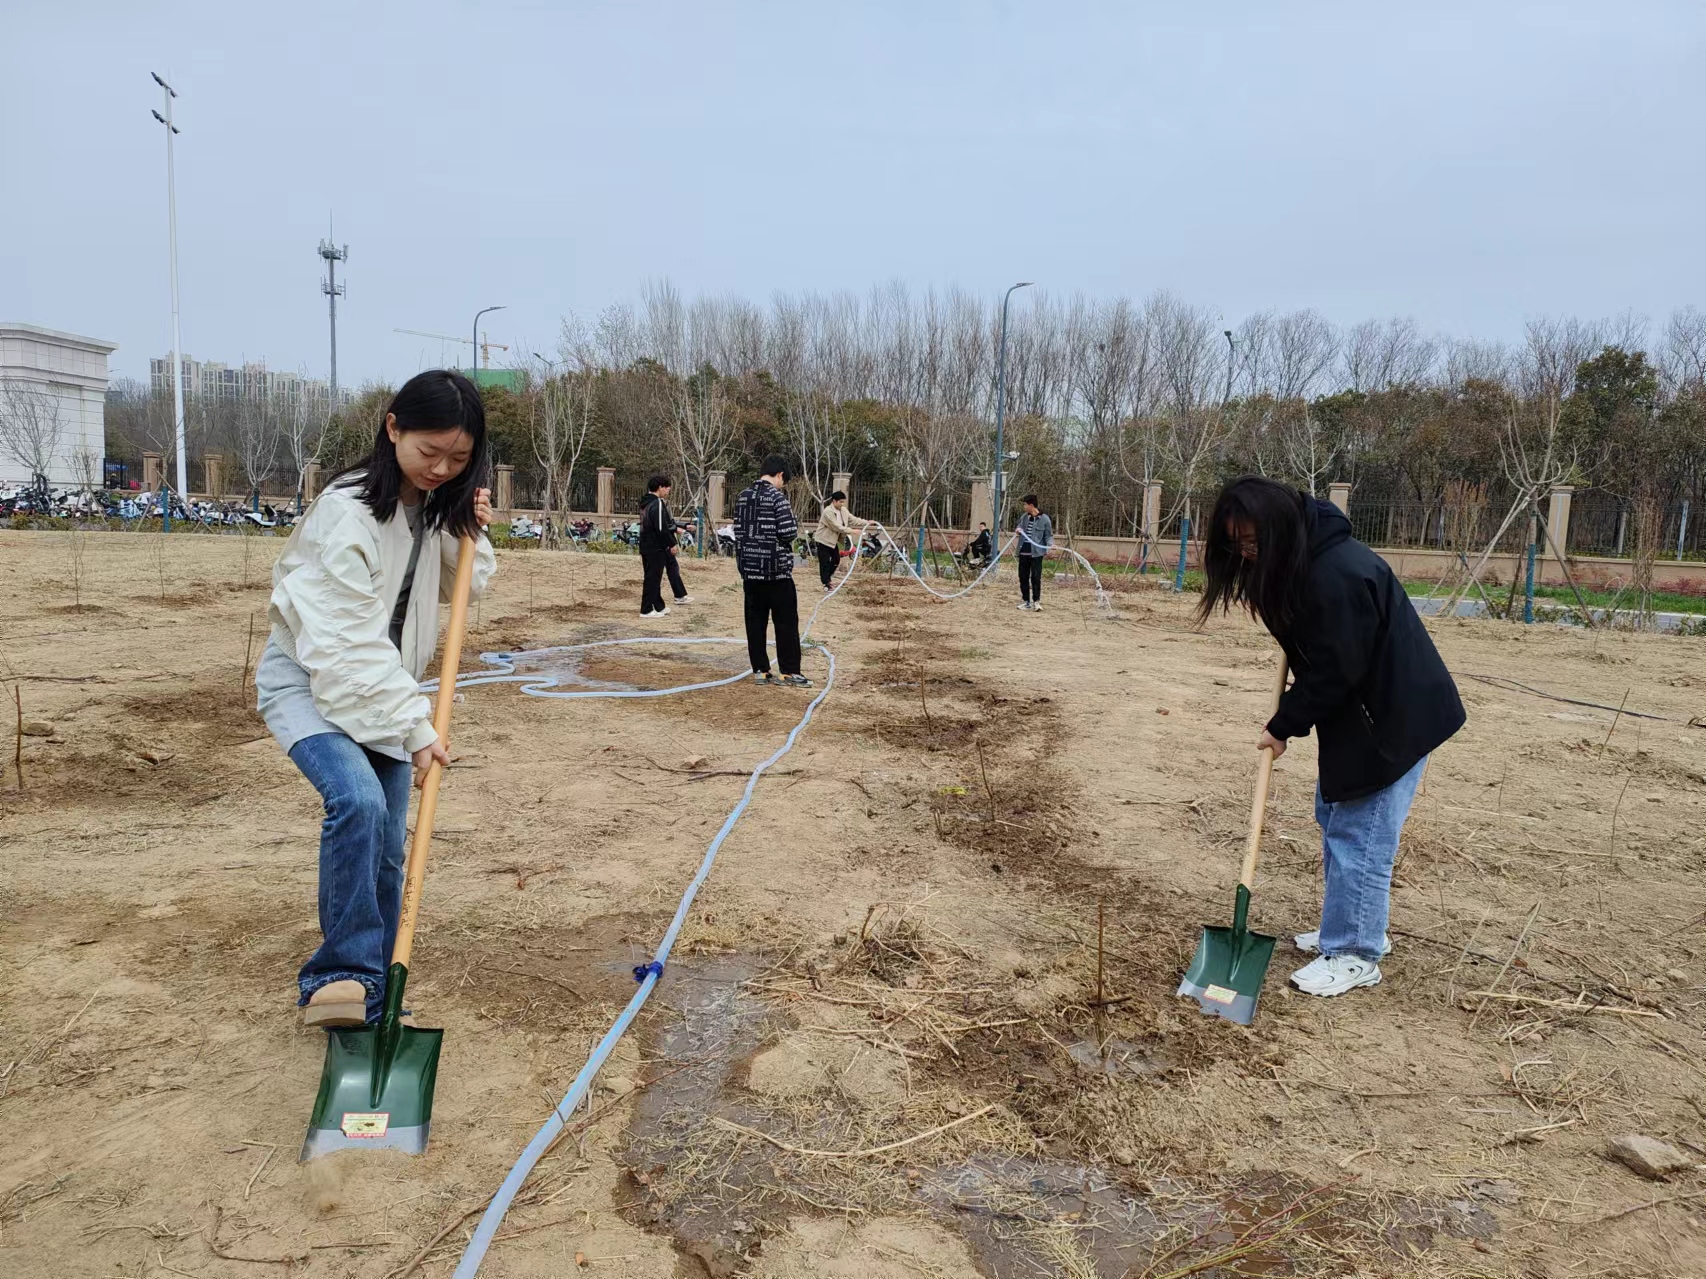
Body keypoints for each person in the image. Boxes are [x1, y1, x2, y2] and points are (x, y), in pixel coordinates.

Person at [257, 370, 497, 1027]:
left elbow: (462, 587)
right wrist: (416, 728)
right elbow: (345, 647)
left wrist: (469, 529)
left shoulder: (433, 506)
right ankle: (339, 975)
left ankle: (376, 995)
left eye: (458, 459)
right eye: (430, 451)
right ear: (393, 427)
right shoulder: (347, 513)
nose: (440, 468)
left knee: (390, 843)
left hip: (382, 691)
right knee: (358, 802)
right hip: (313, 683)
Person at [1198, 476, 1465, 999]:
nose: (1246, 554)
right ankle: (1353, 922)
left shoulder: (1334, 574)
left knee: (1360, 836)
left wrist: (1283, 725)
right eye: (1237, 545)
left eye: (1252, 542)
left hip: (1392, 720)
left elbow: (1337, 669)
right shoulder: (1306, 560)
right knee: (1335, 816)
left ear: (1279, 527)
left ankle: (1356, 951)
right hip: (1362, 716)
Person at [734, 455, 812, 688]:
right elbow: (788, 532)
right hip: (776, 571)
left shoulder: (743, 497)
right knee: (786, 622)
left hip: (750, 570)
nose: (782, 484)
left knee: (755, 622)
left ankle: (761, 670)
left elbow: (738, 530)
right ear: (779, 475)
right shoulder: (778, 499)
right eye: (783, 480)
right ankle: (789, 671)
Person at [638, 475, 693, 617]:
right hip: (655, 546)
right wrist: (671, 543)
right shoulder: (657, 503)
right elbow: (661, 528)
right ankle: (646, 609)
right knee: (652, 578)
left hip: (646, 544)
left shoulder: (645, 502)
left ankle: (658, 606)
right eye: (666, 487)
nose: (668, 490)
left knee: (653, 577)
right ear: (660, 487)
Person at [812, 490, 873, 590]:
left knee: (836, 559)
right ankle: (826, 583)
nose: (842, 504)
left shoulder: (843, 510)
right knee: (825, 562)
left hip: (832, 541)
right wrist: (852, 531)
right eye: (840, 502)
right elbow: (836, 527)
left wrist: (866, 522)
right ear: (834, 501)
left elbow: (853, 519)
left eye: (843, 502)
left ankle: (827, 578)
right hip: (823, 540)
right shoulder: (828, 512)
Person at [1015, 496, 1053, 610]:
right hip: (1023, 553)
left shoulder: (1045, 519)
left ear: (1031, 505)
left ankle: (1036, 601)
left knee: (1036, 577)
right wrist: (1018, 530)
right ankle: (1026, 602)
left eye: (1025, 504)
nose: (1024, 507)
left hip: (1036, 554)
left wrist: (1051, 544)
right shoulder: (1024, 517)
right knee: (1023, 577)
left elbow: (1048, 536)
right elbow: (1019, 528)